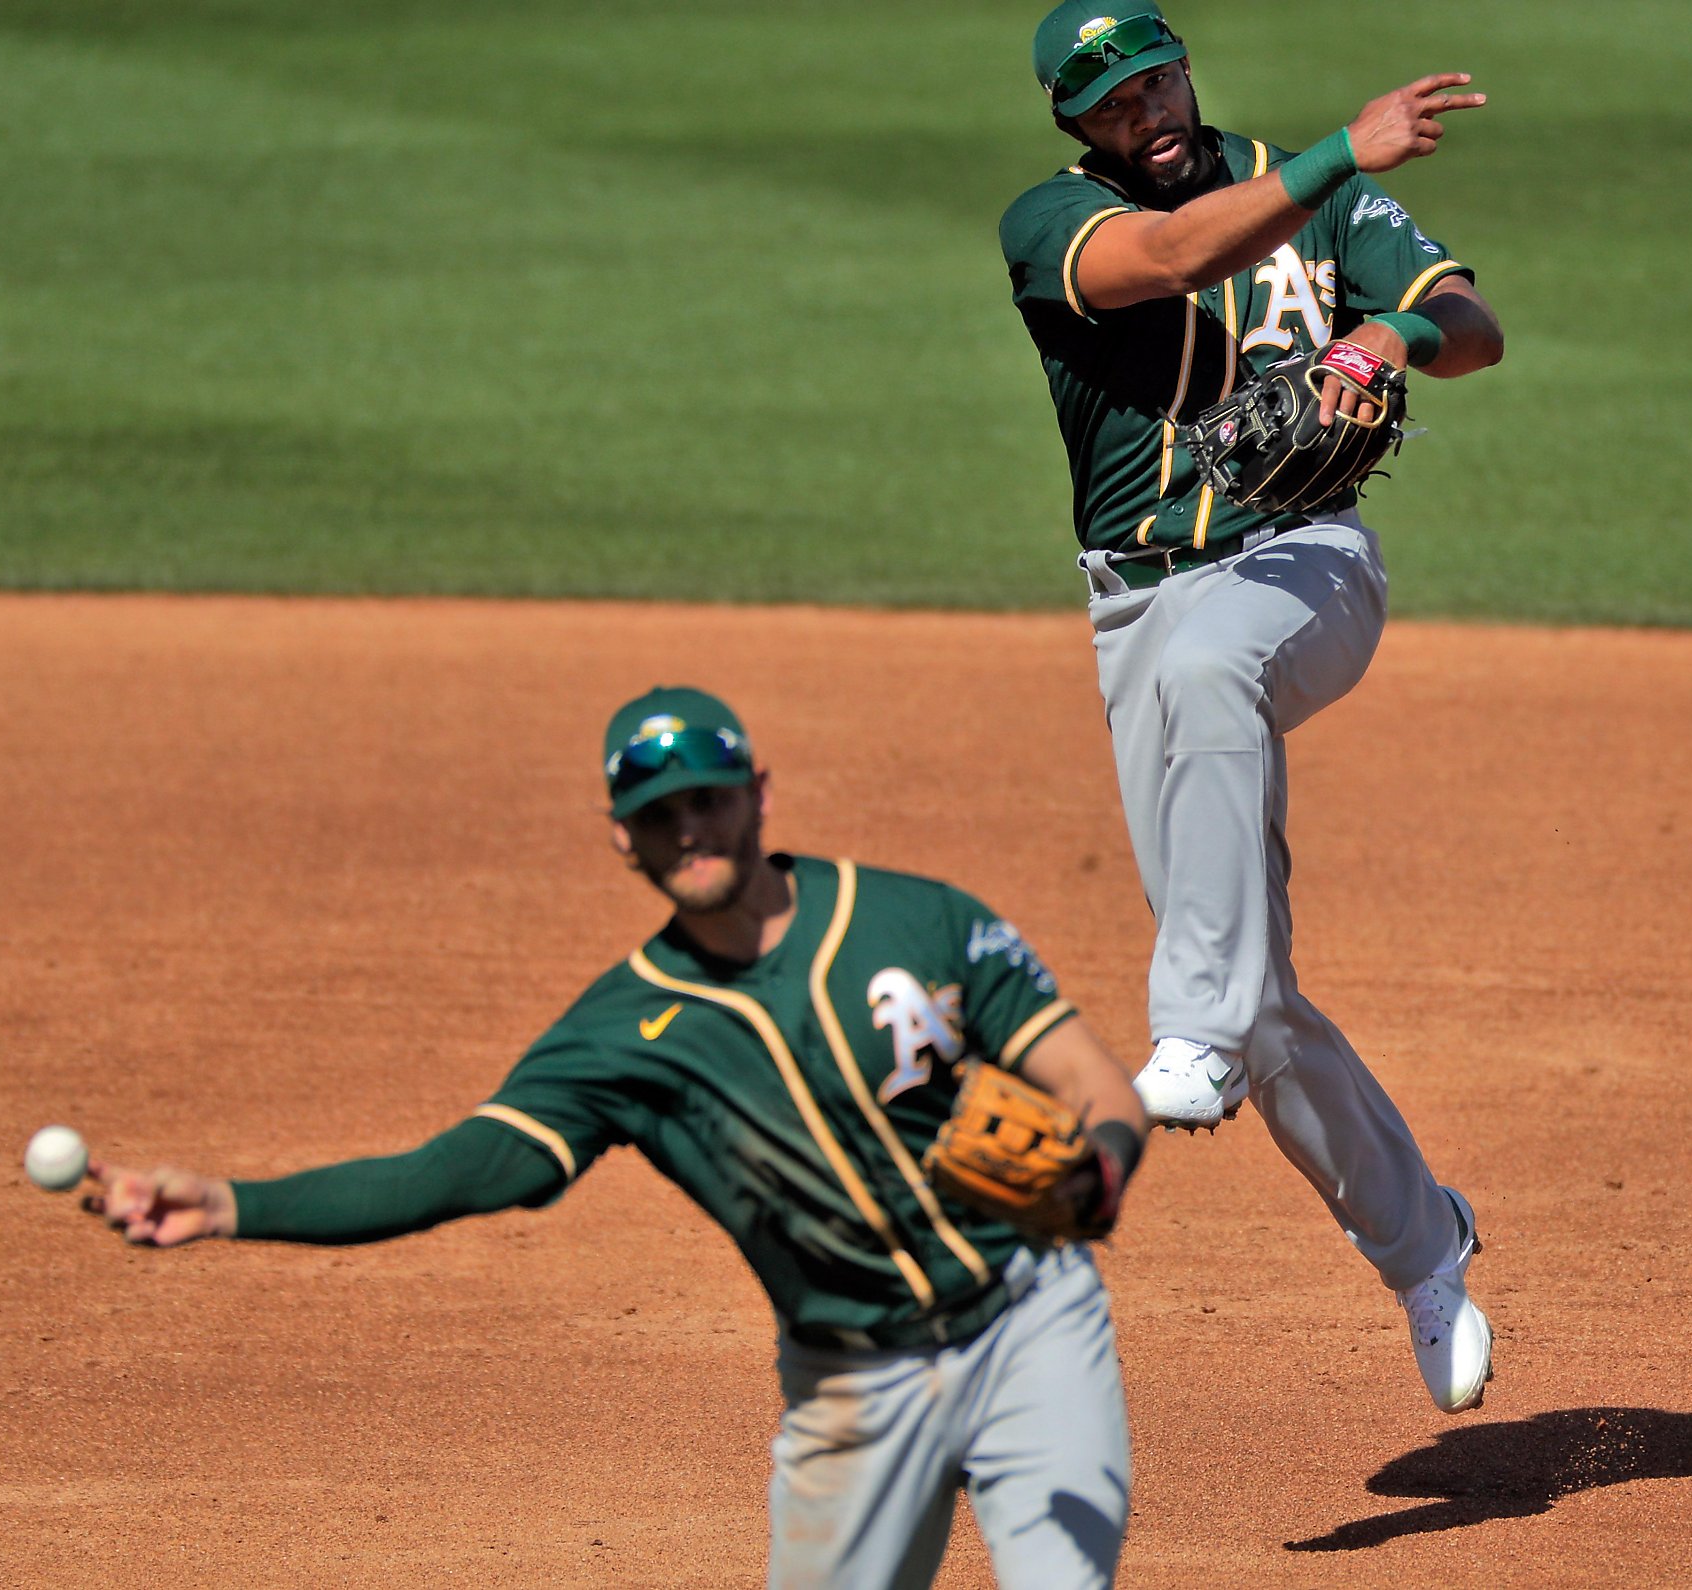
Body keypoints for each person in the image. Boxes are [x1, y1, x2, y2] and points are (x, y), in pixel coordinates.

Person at [84, 685, 1149, 1589]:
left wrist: (1103, 1161)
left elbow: (1091, 1078)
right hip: (851, 1383)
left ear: (757, 794)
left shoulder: (912, 919)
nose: (688, 829)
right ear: (620, 839)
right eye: (655, 815)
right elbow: (467, 1167)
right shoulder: (619, 1033)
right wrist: (233, 1205)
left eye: (707, 799)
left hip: (1026, 1322)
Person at [999, 1, 1505, 1414]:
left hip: (1306, 568)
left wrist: (1394, 336)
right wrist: (1345, 150)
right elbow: (1175, 253)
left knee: (1221, 669)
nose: (1144, 114)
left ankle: (1192, 1027)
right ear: (1073, 127)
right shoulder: (1053, 222)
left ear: (1184, 73)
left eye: (1156, 83)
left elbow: (1477, 324)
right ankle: (1427, 1246)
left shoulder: (1325, 193)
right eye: (1110, 104)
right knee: (1265, 1005)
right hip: (1137, 606)